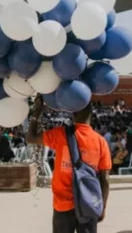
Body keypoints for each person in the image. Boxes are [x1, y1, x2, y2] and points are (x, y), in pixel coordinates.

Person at [27, 96, 110, 233]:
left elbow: (31, 138)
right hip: (88, 203)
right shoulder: (101, 142)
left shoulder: (60, 134)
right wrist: (102, 206)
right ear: (91, 115)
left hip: (62, 205)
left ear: (73, 114)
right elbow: (105, 180)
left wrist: (36, 112)